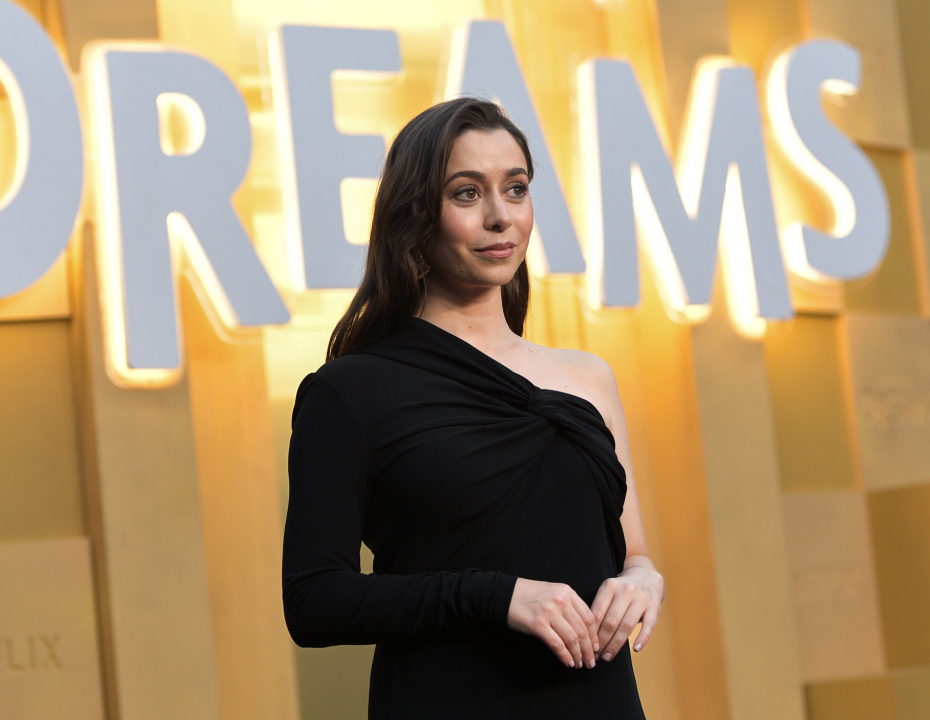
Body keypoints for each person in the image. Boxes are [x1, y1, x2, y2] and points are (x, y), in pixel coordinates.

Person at [282, 97, 663, 719]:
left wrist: (644, 579)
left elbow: (631, 551)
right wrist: (497, 597)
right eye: (466, 193)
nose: (499, 217)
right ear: (415, 215)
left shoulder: (588, 378)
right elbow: (313, 601)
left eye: (516, 189)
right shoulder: (349, 392)